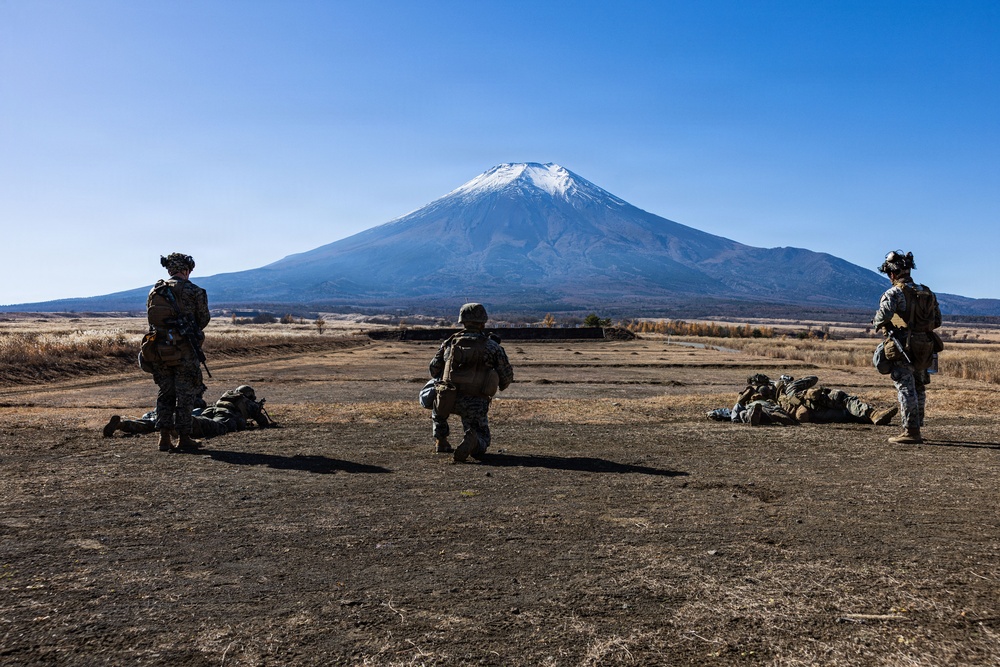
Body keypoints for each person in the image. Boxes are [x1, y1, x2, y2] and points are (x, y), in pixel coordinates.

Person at [872, 250, 942, 444]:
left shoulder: (894, 293)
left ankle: (911, 431)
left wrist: (877, 322)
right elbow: (937, 321)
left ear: (892, 274)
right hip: (925, 346)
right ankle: (917, 425)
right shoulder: (928, 292)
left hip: (903, 345)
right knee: (919, 386)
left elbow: (883, 316)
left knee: (905, 387)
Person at [429, 303, 514, 462]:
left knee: (438, 408)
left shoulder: (449, 343)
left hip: (448, 398)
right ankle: (474, 442)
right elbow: (506, 376)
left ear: (462, 321)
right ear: (483, 322)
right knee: (482, 438)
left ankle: (441, 441)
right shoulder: (491, 346)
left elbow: (433, 369)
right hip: (476, 400)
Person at [144, 253, 211, 452]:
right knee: (186, 394)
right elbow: (203, 320)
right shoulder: (195, 291)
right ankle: (184, 437)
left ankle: (164, 438)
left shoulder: (155, 291)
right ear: (186, 269)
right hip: (184, 351)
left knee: (165, 393)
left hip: (159, 351)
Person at [103, 385, 272, 441]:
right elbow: (262, 422)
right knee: (217, 427)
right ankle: (184, 423)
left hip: (210, 409)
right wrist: (258, 412)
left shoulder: (228, 395)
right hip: (226, 416)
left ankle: (122, 424)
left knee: (201, 419)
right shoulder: (246, 401)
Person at [777, 375, 898, 425]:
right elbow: (813, 379)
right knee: (843, 399)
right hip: (816, 402)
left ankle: (873, 419)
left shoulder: (780, 401)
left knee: (845, 415)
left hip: (815, 415)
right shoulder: (790, 387)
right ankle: (874, 414)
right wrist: (793, 381)